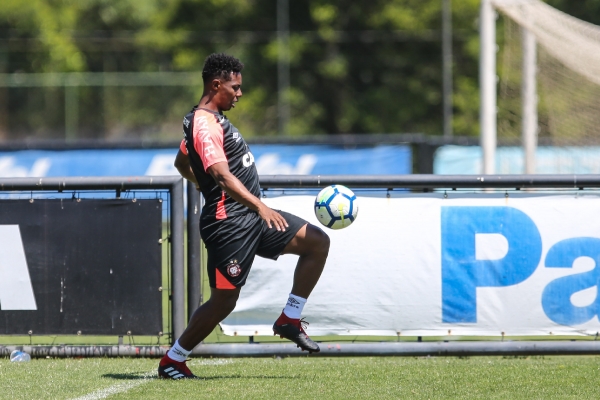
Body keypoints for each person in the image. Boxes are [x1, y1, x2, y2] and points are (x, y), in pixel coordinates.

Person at [158, 53, 330, 379]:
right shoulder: (204, 125)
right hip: (229, 225)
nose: (239, 94)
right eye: (235, 88)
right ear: (216, 84)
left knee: (317, 242)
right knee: (224, 302)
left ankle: (289, 320)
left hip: (250, 218)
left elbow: (183, 163)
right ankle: (173, 359)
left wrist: (200, 181)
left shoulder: (211, 121)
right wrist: (259, 205)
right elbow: (222, 177)